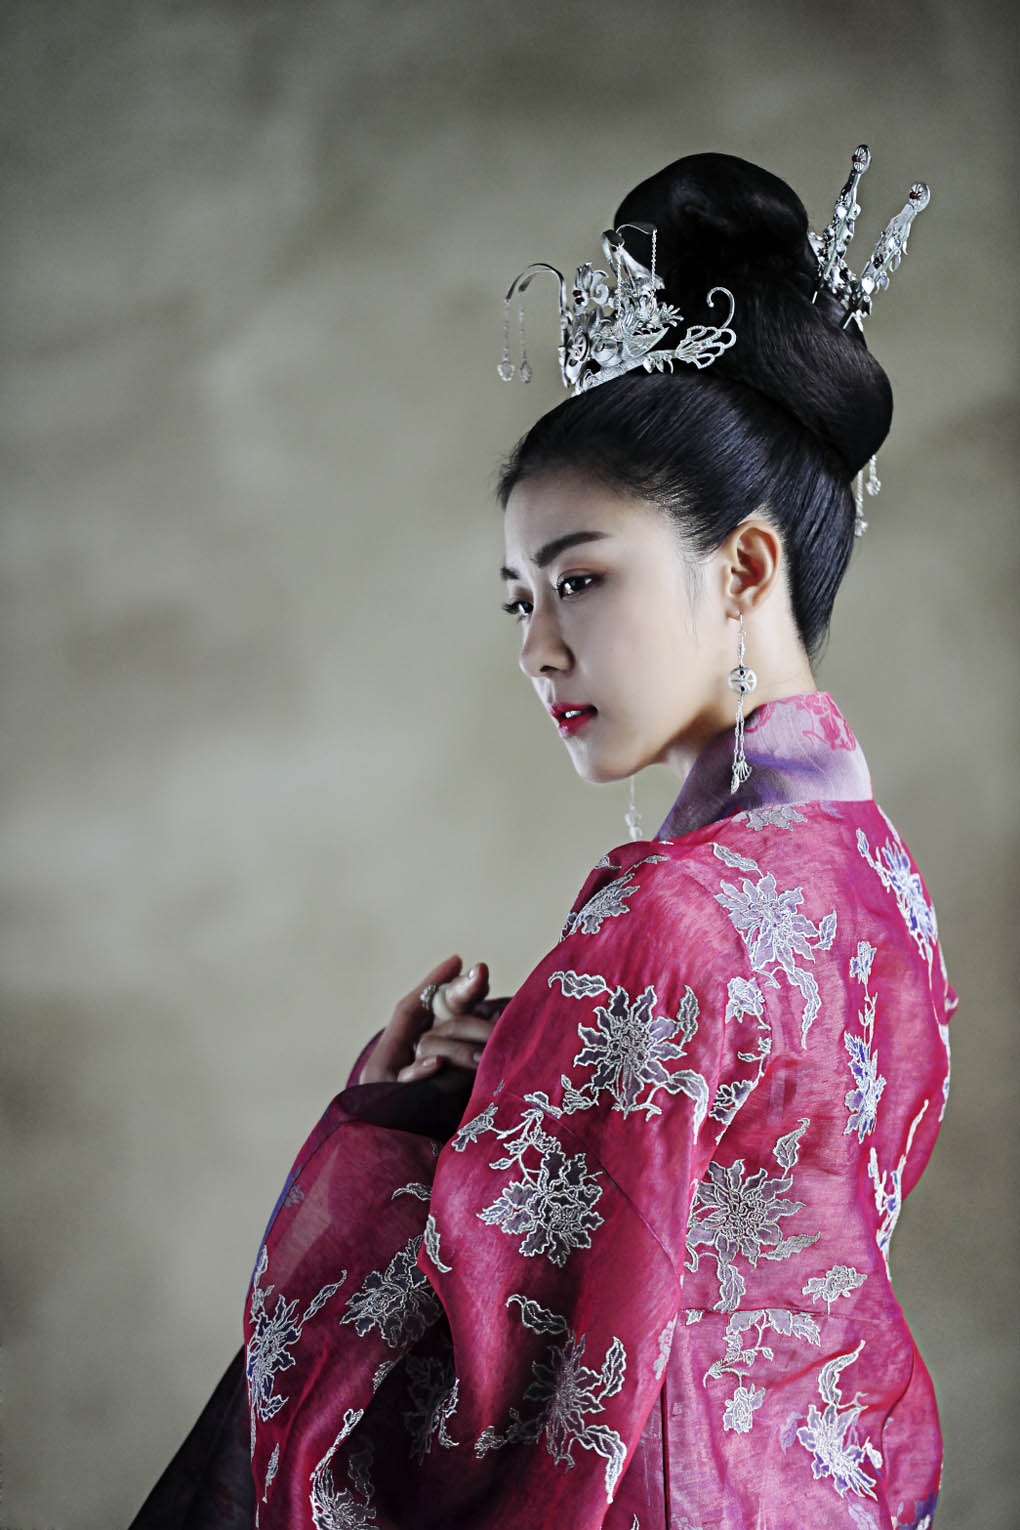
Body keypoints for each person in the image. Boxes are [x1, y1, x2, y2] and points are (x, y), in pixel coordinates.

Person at [131, 151, 955, 1530]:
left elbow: (494, 1401)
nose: (539, 648)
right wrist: (522, 1074)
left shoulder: (668, 918)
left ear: (745, 567)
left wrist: (396, 1129)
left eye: (581, 578)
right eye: (519, 598)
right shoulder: (880, 879)